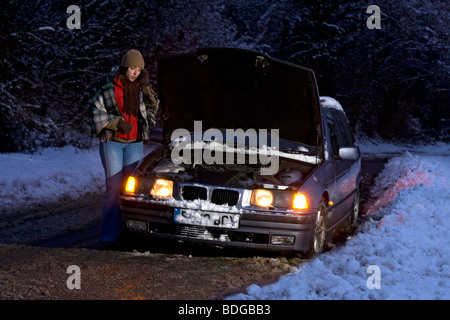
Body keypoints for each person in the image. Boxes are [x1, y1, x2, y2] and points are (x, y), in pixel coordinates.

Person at [90, 49, 159, 250]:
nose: (135, 72)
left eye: (139, 69)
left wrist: (148, 94)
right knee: (113, 186)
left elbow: (154, 108)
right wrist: (116, 122)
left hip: (135, 143)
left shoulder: (142, 87)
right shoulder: (109, 85)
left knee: (130, 189)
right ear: (124, 67)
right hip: (112, 140)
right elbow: (95, 111)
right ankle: (109, 236)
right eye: (132, 68)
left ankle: (128, 232)